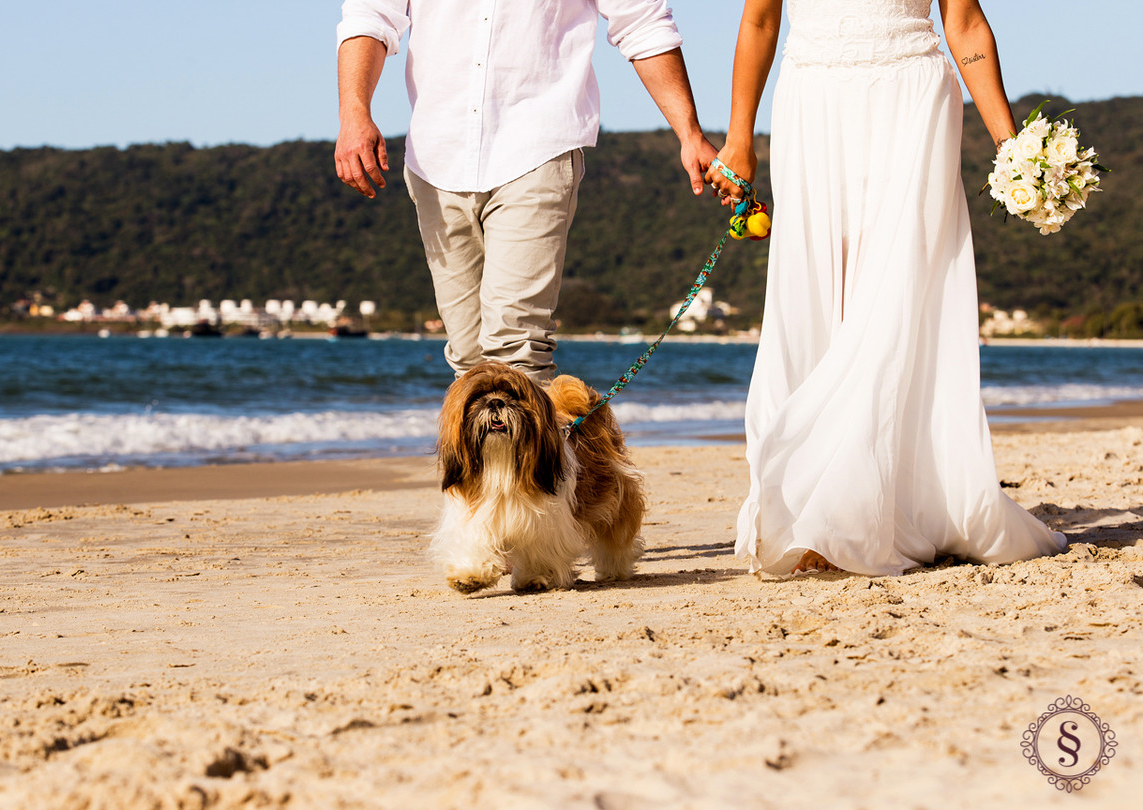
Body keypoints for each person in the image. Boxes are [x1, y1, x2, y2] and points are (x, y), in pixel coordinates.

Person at [706, 0, 1067, 576]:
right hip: (814, 99)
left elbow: (965, 22)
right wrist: (739, 138)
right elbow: (759, 21)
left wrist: (1009, 143)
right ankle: (809, 502)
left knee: (897, 293)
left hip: (912, 98)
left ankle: (864, 506)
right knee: (819, 291)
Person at [334, 1, 719, 384]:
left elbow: (642, 21)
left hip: (539, 147)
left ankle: (531, 446)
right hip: (437, 155)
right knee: (469, 362)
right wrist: (354, 114)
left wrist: (689, 132)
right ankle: (500, 447)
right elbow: (370, 15)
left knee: (516, 352)